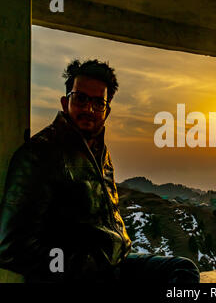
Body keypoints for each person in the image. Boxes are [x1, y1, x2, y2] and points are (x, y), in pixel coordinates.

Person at [0, 59, 200, 283]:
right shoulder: (39, 154)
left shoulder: (98, 151)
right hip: (79, 276)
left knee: (182, 270)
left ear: (107, 110)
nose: (89, 109)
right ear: (66, 102)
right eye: (81, 99)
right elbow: (12, 249)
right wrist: (85, 267)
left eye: (98, 103)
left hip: (113, 264)